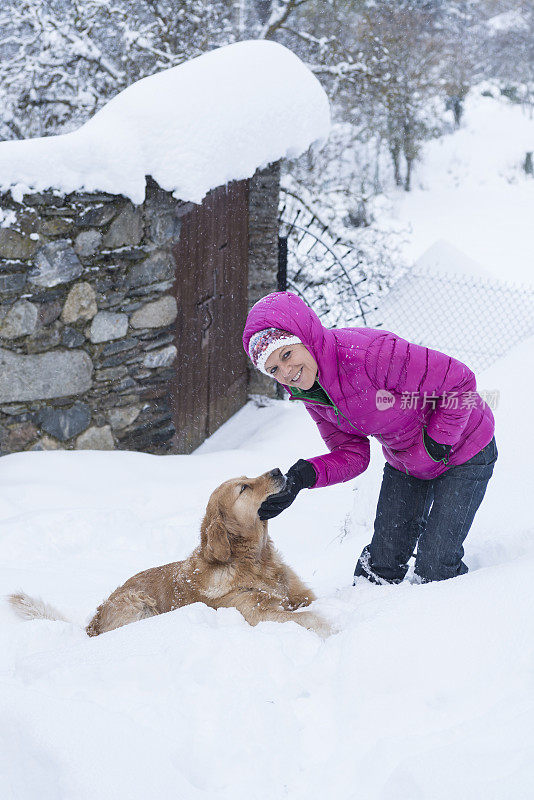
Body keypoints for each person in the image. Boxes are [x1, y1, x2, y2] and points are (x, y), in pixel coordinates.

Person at [242, 291, 497, 585]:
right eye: (273, 369)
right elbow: (353, 454)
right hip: (407, 461)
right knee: (381, 565)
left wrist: (437, 442)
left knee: (436, 567)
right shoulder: (312, 393)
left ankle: (463, 610)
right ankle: (369, 620)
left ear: (305, 337)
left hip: (466, 448)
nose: (287, 372)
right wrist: (301, 477)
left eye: (287, 354)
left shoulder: (370, 354)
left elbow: (460, 381)